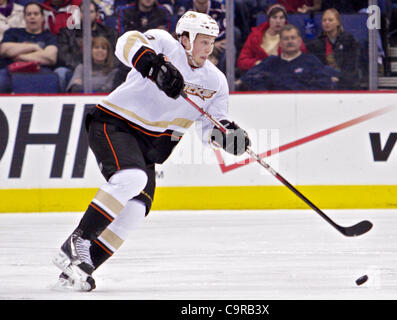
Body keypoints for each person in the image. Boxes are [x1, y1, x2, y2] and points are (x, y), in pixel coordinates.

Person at [52, 10, 251, 291]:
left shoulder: (216, 81)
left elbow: (210, 130)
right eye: (203, 41)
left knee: (136, 210)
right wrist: (151, 64)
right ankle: (78, 241)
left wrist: (229, 137)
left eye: (211, 41)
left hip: (148, 146)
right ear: (185, 38)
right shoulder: (164, 44)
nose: (209, 47)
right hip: (114, 124)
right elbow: (125, 42)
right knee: (132, 179)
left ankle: (78, 271)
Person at [240, 24, 335, 91]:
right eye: (286, 39)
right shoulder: (270, 62)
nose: (290, 41)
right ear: (280, 43)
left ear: (300, 41)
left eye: (293, 38)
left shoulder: (311, 61)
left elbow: (324, 83)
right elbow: (248, 78)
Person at [55, 1, 118, 91]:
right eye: (83, 11)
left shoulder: (110, 33)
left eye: (91, 12)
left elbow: (117, 56)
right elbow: (63, 56)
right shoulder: (67, 33)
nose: (87, 15)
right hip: (77, 68)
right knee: (61, 71)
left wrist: (103, 64)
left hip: (105, 69)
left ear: (97, 14)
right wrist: (85, 65)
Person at [0, 1, 58, 93]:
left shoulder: (49, 37)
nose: (32, 17)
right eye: (29, 14)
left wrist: (18, 56)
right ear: (24, 18)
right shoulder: (13, 32)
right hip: (10, 71)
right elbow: (4, 50)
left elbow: (50, 57)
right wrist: (34, 47)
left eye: (36, 14)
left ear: (42, 17)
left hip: (40, 72)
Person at [114, 0, 171, 87]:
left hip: (156, 60)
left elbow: (165, 38)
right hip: (129, 61)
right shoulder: (125, 11)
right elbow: (124, 39)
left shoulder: (163, 12)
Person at [306, 8, 361, 90]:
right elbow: (316, 68)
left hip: (347, 83)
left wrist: (340, 78)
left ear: (338, 22)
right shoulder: (317, 43)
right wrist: (327, 78)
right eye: (324, 20)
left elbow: (352, 65)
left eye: (330, 20)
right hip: (325, 83)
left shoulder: (348, 40)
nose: (327, 23)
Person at [237, 4, 292, 72]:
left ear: (285, 20)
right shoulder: (255, 36)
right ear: (268, 19)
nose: (278, 21)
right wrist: (259, 63)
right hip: (260, 73)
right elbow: (242, 61)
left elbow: (299, 58)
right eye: (274, 17)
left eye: (281, 18)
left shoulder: (292, 36)